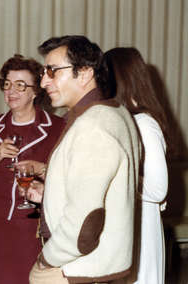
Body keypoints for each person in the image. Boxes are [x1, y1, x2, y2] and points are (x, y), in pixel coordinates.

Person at [26, 36, 141, 284]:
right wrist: (50, 191)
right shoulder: (112, 112)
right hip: (94, 266)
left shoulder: (93, 126)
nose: (44, 81)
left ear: (86, 73)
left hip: (80, 270)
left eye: (53, 71)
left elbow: (86, 224)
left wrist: (46, 259)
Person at [0, 54, 65, 284]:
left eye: (21, 85)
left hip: (33, 223)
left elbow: (67, 176)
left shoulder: (57, 128)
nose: (11, 91)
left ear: (35, 91)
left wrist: (42, 169)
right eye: (7, 84)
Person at [105, 47, 169, 284]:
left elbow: (158, 189)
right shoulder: (125, 120)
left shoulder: (144, 124)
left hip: (141, 228)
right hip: (125, 224)